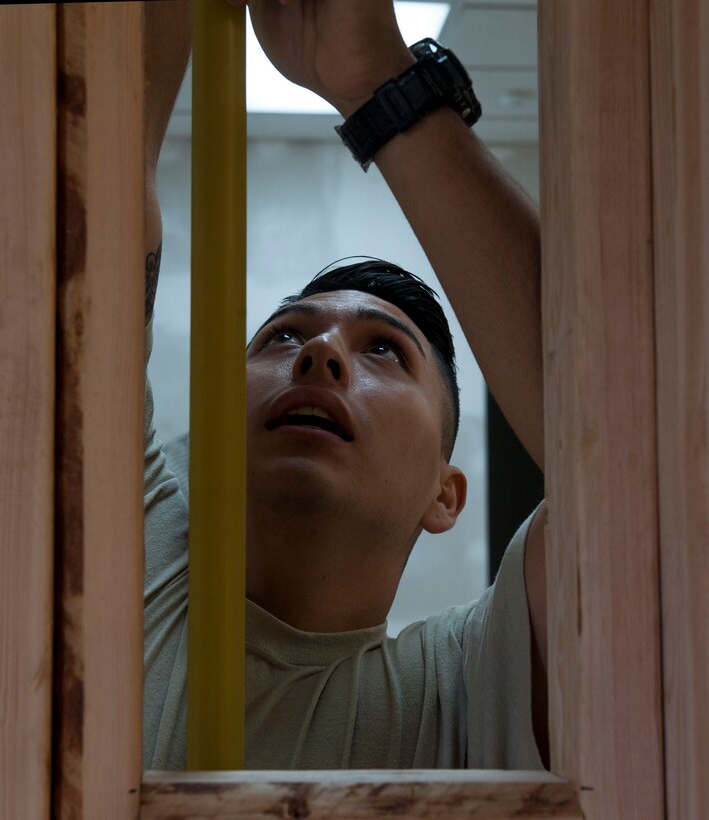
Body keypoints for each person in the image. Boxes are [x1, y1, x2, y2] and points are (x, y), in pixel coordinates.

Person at [142, 0, 548, 770]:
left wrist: (375, 80)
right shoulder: (123, 550)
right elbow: (97, 203)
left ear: (446, 493)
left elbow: (627, 448)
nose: (318, 357)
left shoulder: (466, 685)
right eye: (284, 335)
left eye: (386, 353)